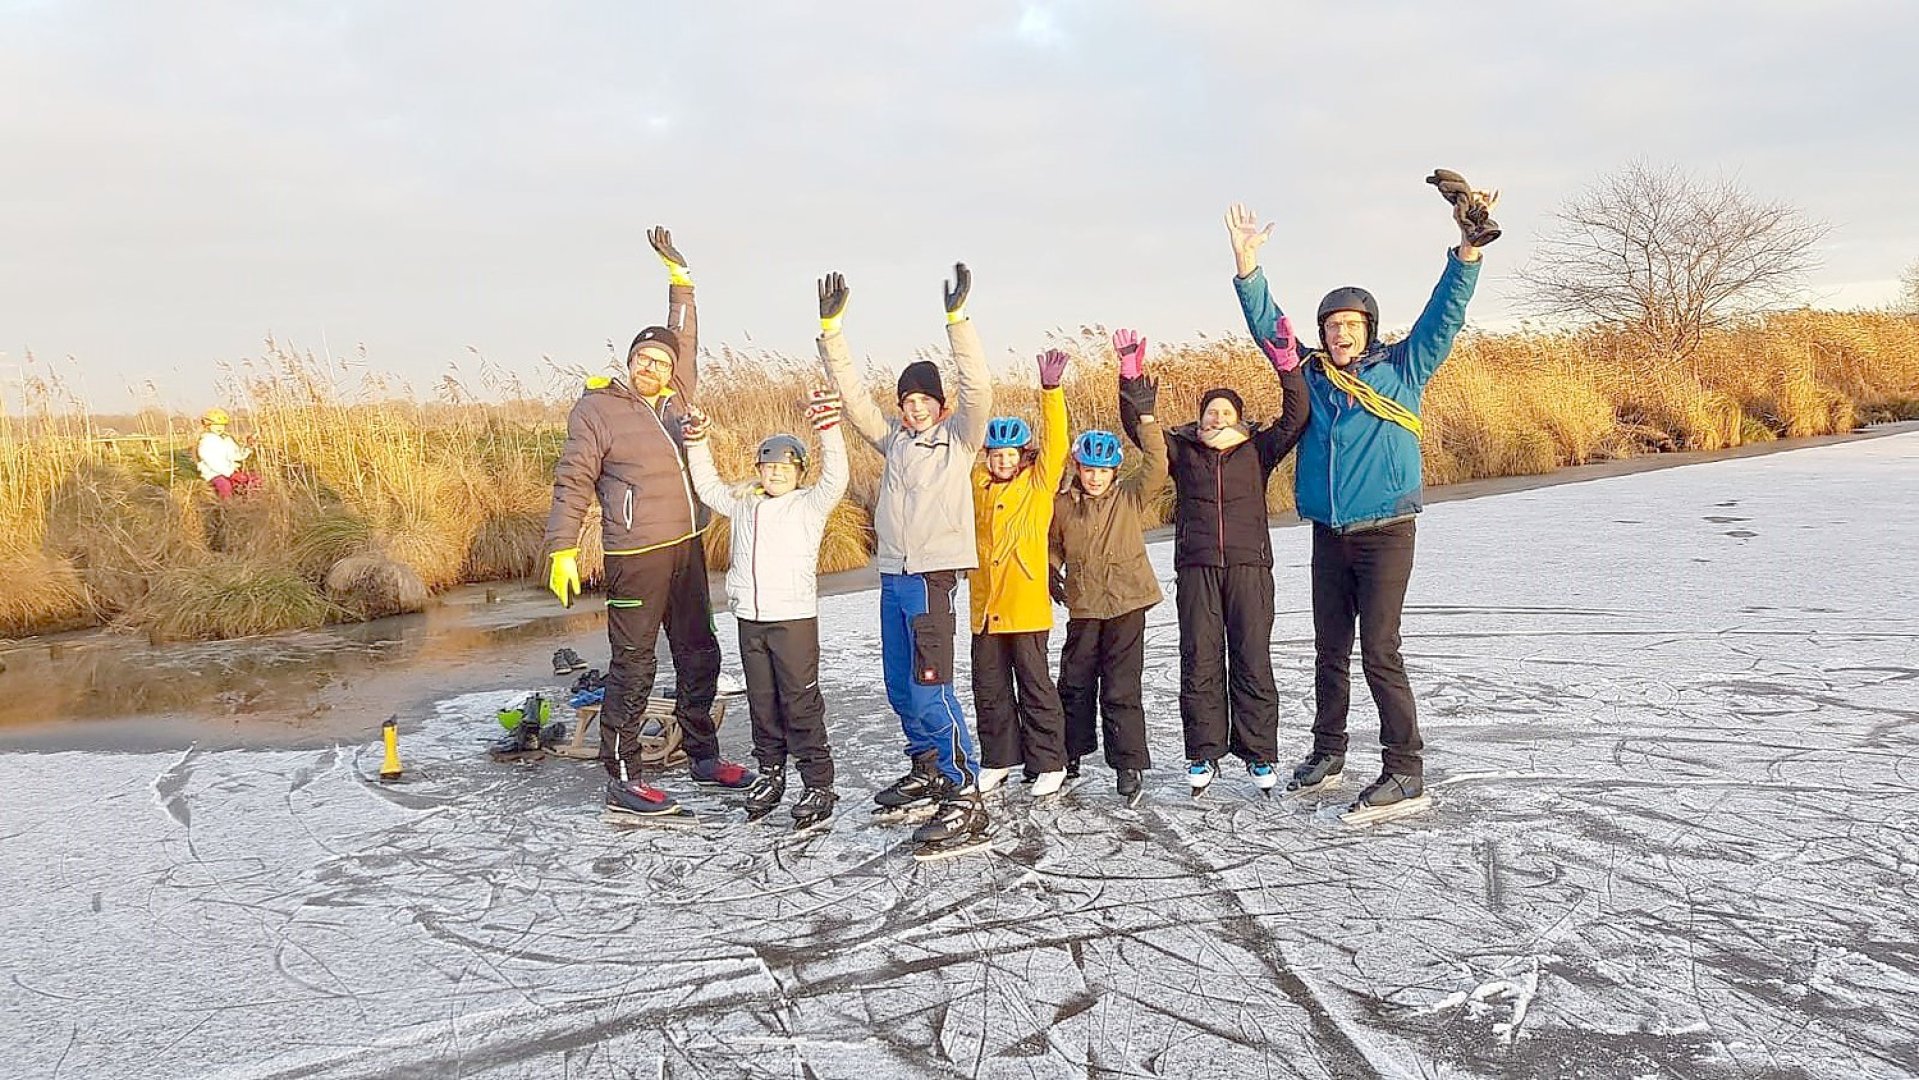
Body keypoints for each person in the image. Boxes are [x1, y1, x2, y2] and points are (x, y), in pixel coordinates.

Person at [1225, 175, 1496, 824]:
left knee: (1378, 650)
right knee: (1327, 650)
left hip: (1385, 533)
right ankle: (1328, 752)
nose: (1340, 334)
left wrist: (1466, 249)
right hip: (1329, 534)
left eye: (1350, 325)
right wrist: (1247, 265)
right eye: (1331, 326)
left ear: (1367, 329)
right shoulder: (1312, 378)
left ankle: (1405, 769)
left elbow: (1445, 313)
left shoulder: (1403, 367)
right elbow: (1271, 333)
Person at [543, 226, 754, 825]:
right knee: (635, 664)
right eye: (643, 359)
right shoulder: (598, 408)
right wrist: (562, 547)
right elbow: (573, 477)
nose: (653, 368)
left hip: (686, 547)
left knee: (699, 653)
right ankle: (624, 775)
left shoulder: (679, 397)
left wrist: (681, 282)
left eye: (661, 362)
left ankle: (702, 754)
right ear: (629, 362)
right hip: (635, 554)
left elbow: (685, 336)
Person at [817, 264, 995, 861]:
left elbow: (979, 389)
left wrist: (957, 321)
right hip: (893, 576)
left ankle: (966, 790)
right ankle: (928, 766)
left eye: (924, 401)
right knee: (899, 685)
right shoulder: (892, 439)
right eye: (907, 401)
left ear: (940, 406)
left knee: (929, 686)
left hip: (933, 578)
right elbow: (852, 400)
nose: (914, 409)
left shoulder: (961, 441)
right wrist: (832, 330)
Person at [682, 390, 850, 832]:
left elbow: (837, 478)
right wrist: (697, 442)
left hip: (792, 619)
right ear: (758, 470)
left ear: (798, 472)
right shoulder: (743, 503)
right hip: (750, 619)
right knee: (762, 703)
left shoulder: (810, 504)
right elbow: (706, 485)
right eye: (768, 466)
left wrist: (828, 429)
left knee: (800, 702)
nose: (775, 473)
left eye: (784, 467)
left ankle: (817, 781)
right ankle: (771, 774)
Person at [1159, 306, 1309, 798]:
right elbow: (1139, 431)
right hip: (1198, 567)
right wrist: (1131, 382)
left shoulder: (1257, 451)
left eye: (1226, 412)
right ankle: (1203, 752)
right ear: (1199, 418)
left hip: (1248, 566)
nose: (1217, 417)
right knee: (1200, 657)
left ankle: (1259, 753)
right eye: (1210, 411)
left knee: (1251, 657)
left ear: (1239, 419)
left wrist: (1288, 368)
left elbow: (1297, 416)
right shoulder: (1182, 451)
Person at [1049, 330, 1169, 806]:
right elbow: (1053, 546)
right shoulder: (1062, 505)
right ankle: (1070, 753)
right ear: (1078, 468)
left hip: (1126, 603)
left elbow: (1157, 463)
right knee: (1075, 682)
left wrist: (1145, 416)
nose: (1095, 477)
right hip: (1083, 604)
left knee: (1121, 686)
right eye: (1087, 469)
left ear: (1114, 471)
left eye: (1102, 470)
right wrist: (1052, 569)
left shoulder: (1130, 496)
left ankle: (1129, 765)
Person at [969, 349, 1071, 798]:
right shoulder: (976, 486)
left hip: (1025, 607)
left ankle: (1050, 761)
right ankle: (998, 758)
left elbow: (1057, 446)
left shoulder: (1037, 484)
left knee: (1035, 687)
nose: (1003, 461)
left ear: (1022, 455)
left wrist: (1051, 393)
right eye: (996, 454)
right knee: (989, 690)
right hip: (985, 608)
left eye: (1011, 454)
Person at [195, 409, 260, 499]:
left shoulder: (227, 439)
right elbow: (211, 462)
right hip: (214, 473)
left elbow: (236, 455)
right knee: (225, 486)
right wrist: (229, 473)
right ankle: (227, 507)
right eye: (216, 425)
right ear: (208, 425)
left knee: (253, 480)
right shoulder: (206, 441)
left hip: (230, 471)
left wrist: (248, 447)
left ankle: (250, 502)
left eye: (222, 425)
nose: (220, 427)